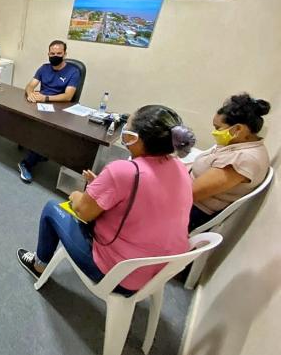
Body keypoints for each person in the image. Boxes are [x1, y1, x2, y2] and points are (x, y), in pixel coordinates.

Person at [17, 105, 196, 294]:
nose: (124, 132)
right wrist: (102, 188)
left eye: (127, 128)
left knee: (52, 208)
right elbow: (141, 203)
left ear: (137, 138)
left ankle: (39, 266)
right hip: (157, 274)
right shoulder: (180, 169)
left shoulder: (124, 171)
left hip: (118, 275)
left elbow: (83, 212)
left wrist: (77, 195)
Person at [189, 93, 270, 231]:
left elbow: (192, 194)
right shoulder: (236, 143)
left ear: (238, 129)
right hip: (186, 197)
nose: (215, 132)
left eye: (218, 128)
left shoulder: (243, 160)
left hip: (192, 211)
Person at [17, 40, 81, 183]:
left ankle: (26, 163)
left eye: (59, 53)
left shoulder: (73, 71)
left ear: (65, 54)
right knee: (21, 115)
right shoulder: (44, 68)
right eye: (52, 53)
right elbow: (30, 85)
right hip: (41, 105)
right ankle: (36, 148)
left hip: (60, 108)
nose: (55, 56)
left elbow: (68, 96)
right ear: (48, 54)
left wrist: (45, 98)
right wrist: (31, 93)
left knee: (43, 130)